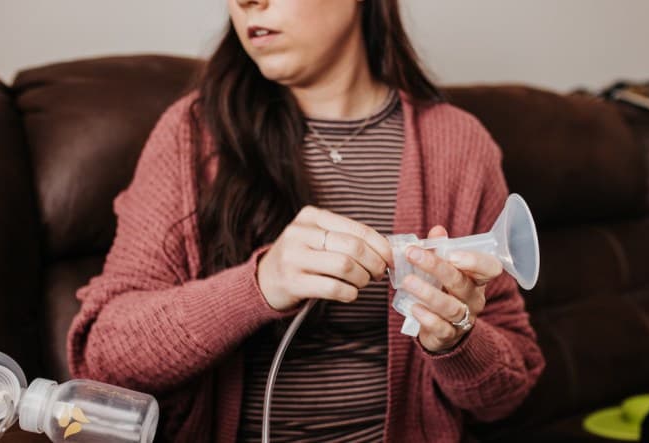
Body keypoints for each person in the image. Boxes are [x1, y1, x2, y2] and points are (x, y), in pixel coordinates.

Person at [67, 0, 545, 441]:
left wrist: (457, 340)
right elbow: (103, 359)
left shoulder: (460, 146)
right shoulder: (192, 135)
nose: (247, 1)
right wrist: (258, 286)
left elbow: (507, 394)